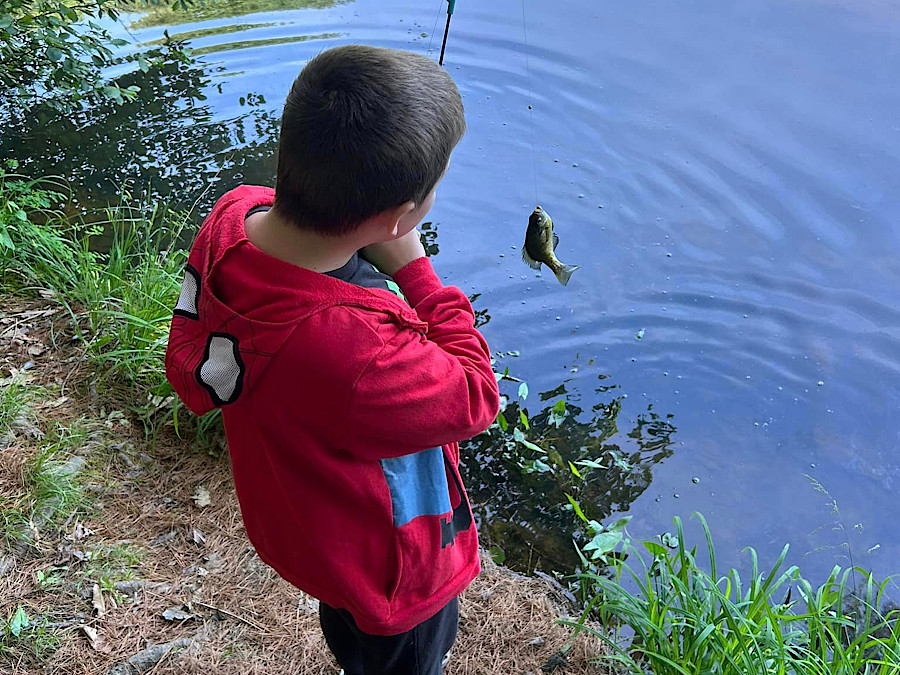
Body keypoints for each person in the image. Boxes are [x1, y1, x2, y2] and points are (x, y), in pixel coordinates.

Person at [164, 45, 500, 675]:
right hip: (391, 577)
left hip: (315, 534)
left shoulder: (232, 217)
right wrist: (416, 272)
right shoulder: (363, 356)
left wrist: (369, 234)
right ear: (398, 218)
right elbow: (477, 395)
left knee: (346, 626)